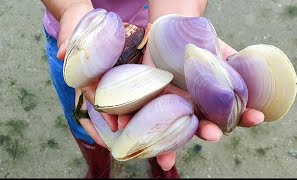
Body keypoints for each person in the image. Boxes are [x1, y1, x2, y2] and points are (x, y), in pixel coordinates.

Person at [41, 0, 265, 178]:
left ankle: (158, 166)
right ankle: (99, 169)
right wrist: (71, 8)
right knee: (84, 125)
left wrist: (172, 27)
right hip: (71, 40)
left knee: (157, 127)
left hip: (149, 26)